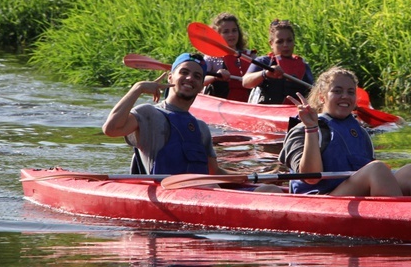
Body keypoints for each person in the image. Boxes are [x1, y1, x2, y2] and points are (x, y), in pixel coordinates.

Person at [102, 52, 281, 192]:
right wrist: (138, 88)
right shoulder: (148, 114)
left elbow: (214, 173)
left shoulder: (201, 128)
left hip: (205, 192)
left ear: (202, 84)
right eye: (184, 72)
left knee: (272, 190)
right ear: (170, 77)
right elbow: (110, 129)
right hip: (169, 194)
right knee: (210, 188)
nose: (190, 78)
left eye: (197, 76)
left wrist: (256, 177)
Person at [279, 67, 411, 196]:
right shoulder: (301, 129)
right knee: (376, 169)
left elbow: (371, 176)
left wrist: (397, 173)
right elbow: (311, 178)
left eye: (350, 92)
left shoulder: (361, 133)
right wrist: (311, 128)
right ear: (322, 97)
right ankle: (400, 224)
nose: (345, 96)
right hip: (321, 199)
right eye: (337, 91)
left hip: (354, 195)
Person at [242, 19, 314, 104]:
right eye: (280, 42)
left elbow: (312, 92)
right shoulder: (263, 62)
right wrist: (265, 73)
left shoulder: (303, 65)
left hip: (295, 113)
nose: (285, 45)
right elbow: (245, 82)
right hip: (268, 112)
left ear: (294, 42)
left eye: (289, 40)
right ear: (271, 44)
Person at [202, 12, 254, 102]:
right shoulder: (211, 57)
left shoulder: (250, 56)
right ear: (217, 35)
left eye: (234, 30)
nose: (231, 35)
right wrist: (215, 77)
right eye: (226, 32)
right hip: (220, 105)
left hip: (247, 105)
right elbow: (200, 80)